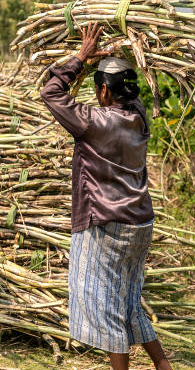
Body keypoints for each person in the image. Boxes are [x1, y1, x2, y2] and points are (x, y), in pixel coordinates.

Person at [40, 23, 173, 370]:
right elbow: (128, 88)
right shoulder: (139, 116)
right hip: (141, 222)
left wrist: (81, 58)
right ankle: (163, 364)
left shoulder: (92, 122)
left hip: (107, 226)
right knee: (129, 301)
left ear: (102, 93)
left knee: (106, 308)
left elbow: (51, 92)